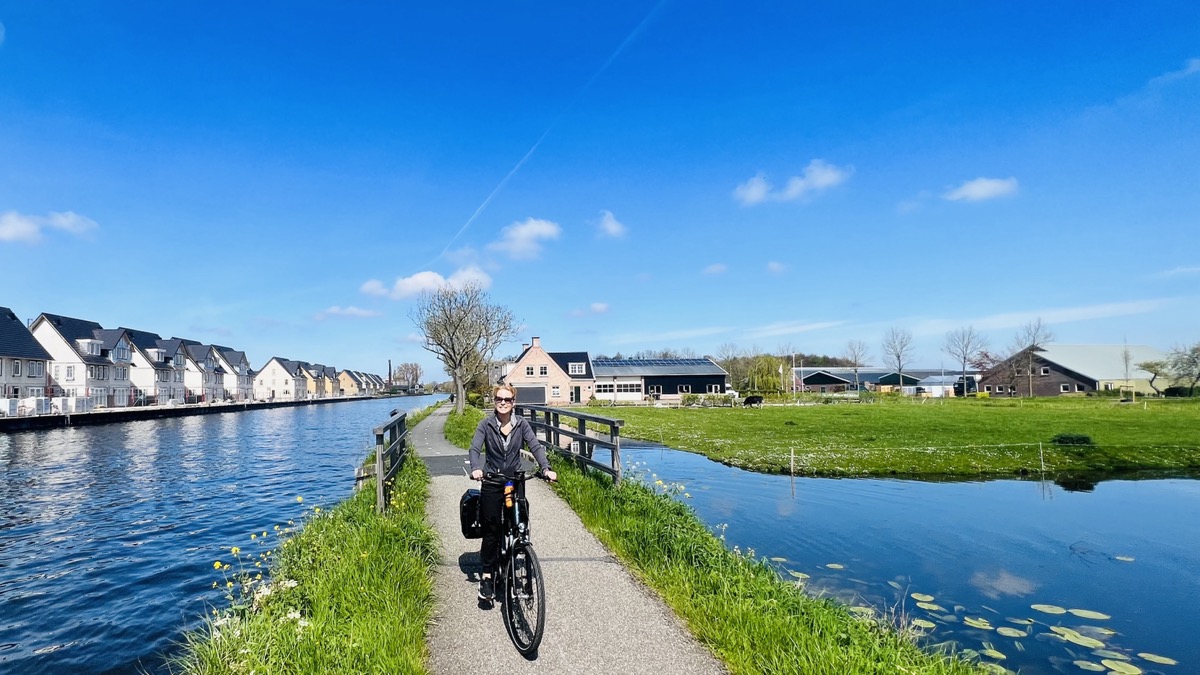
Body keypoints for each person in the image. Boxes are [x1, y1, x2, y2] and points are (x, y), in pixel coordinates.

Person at [468, 384, 557, 601]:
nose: (503, 403)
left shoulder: (521, 425)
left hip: (513, 480)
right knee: (492, 529)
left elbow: (535, 446)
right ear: (494, 401)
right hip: (491, 480)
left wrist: (546, 468)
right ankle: (487, 576)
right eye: (499, 399)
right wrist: (476, 468)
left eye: (508, 399)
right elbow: (474, 448)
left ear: (513, 402)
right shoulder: (486, 424)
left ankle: (521, 552)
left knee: (521, 520)